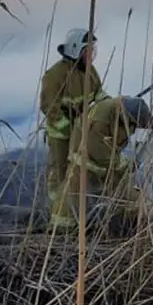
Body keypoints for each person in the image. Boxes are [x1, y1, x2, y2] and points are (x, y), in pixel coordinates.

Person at [60, 95, 153, 232]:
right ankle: (90, 232)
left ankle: (137, 228)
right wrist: (126, 164)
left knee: (136, 201)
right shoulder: (100, 120)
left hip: (109, 170)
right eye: (132, 124)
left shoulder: (122, 114)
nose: (133, 129)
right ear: (124, 116)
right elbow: (102, 155)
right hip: (88, 171)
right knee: (79, 214)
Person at [39, 28, 109, 229]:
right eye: (87, 51)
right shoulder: (55, 75)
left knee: (78, 174)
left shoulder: (89, 72)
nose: (91, 55)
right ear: (76, 50)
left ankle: (76, 216)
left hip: (81, 132)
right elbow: (48, 106)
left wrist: (112, 105)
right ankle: (58, 221)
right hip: (61, 136)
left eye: (92, 50)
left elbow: (98, 95)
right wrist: (67, 127)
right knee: (61, 176)